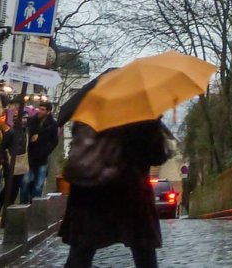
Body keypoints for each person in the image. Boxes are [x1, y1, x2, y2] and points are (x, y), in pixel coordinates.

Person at [58, 119, 171, 268]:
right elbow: (157, 156)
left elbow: (79, 150)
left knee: (81, 251)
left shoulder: (90, 111)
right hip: (130, 191)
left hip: (90, 191)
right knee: (143, 250)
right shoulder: (140, 116)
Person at [22, 110, 61, 203]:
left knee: (38, 185)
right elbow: (26, 135)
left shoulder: (52, 124)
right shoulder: (33, 121)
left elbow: (54, 141)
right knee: (25, 182)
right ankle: (23, 205)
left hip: (42, 158)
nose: (40, 111)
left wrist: (46, 151)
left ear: (48, 111)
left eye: (43, 109)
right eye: (40, 108)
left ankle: (35, 205)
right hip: (30, 158)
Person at [0, 113, 29, 220]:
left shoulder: (25, 132)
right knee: (9, 185)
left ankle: (10, 205)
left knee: (16, 186)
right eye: (23, 118)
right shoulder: (11, 132)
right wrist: (2, 159)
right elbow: (2, 146)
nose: (25, 120)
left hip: (20, 162)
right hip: (9, 162)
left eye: (26, 118)